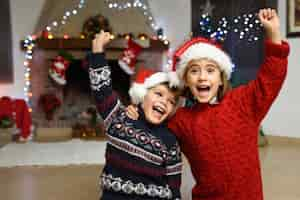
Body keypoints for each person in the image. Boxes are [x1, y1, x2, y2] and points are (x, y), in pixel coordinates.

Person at [126, 8, 290, 200]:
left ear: (221, 78)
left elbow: (271, 77)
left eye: (210, 70)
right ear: (185, 80)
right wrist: (136, 114)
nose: (202, 77)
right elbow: (154, 128)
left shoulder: (242, 102)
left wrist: (273, 33)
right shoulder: (182, 120)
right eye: (194, 71)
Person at [88, 31, 182, 200]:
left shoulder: (169, 140)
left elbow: (174, 183)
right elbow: (102, 90)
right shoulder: (119, 119)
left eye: (171, 101)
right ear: (142, 96)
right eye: (158, 94)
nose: (164, 102)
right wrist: (97, 51)